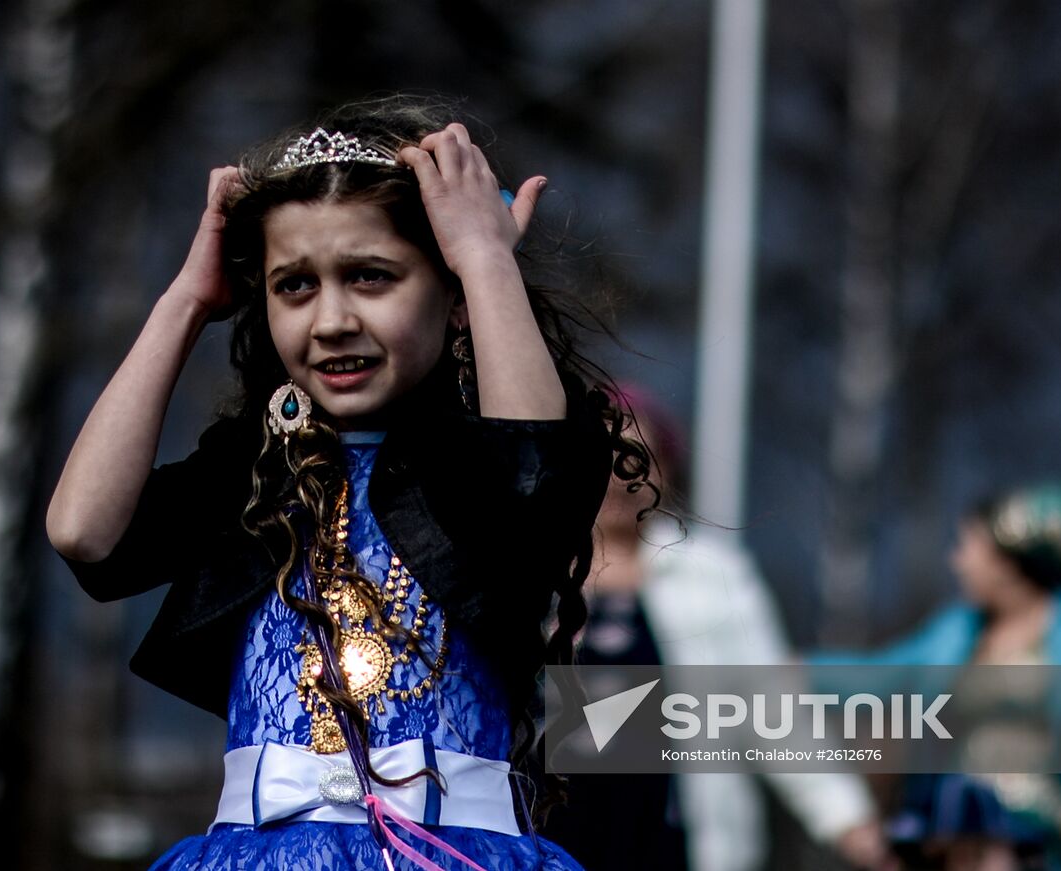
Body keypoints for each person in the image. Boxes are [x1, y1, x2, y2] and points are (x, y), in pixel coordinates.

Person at [45, 95, 650, 870]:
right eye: (295, 286)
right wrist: (188, 301)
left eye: (371, 277)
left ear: (454, 298)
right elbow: (84, 533)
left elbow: (531, 479)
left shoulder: (482, 469)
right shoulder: (256, 467)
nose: (331, 318)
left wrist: (487, 262)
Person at [542, 388, 895, 871]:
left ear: (666, 470)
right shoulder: (530, 574)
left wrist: (849, 820)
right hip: (544, 835)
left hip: (676, 842)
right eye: (601, 457)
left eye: (637, 460)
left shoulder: (712, 575)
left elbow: (772, 711)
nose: (619, 477)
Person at [811, 483, 1061, 871]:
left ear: (1007, 561)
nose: (956, 561)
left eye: (966, 547)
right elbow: (878, 678)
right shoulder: (956, 631)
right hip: (966, 836)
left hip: (1058, 842)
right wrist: (786, 670)